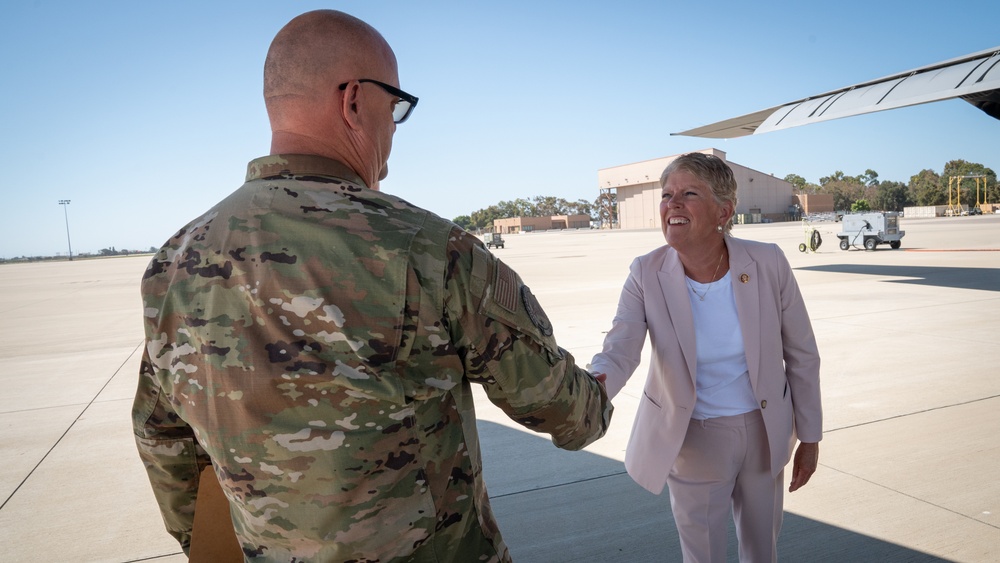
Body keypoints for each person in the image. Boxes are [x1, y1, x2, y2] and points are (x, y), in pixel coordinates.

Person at [132, 10, 611, 562]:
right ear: (355, 100)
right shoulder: (429, 249)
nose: (395, 128)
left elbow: (161, 433)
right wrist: (597, 394)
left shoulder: (174, 260)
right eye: (397, 107)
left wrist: (204, 541)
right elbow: (563, 410)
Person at [589, 152, 821, 562]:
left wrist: (811, 436)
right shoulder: (646, 272)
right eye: (666, 195)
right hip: (692, 438)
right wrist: (593, 386)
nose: (672, 204)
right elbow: (620, 347)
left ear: (723, 210)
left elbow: (801, 354)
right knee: (703, 556)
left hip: (765, 432)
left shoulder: (767, 262)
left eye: (688, 193)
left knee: (761, 551)